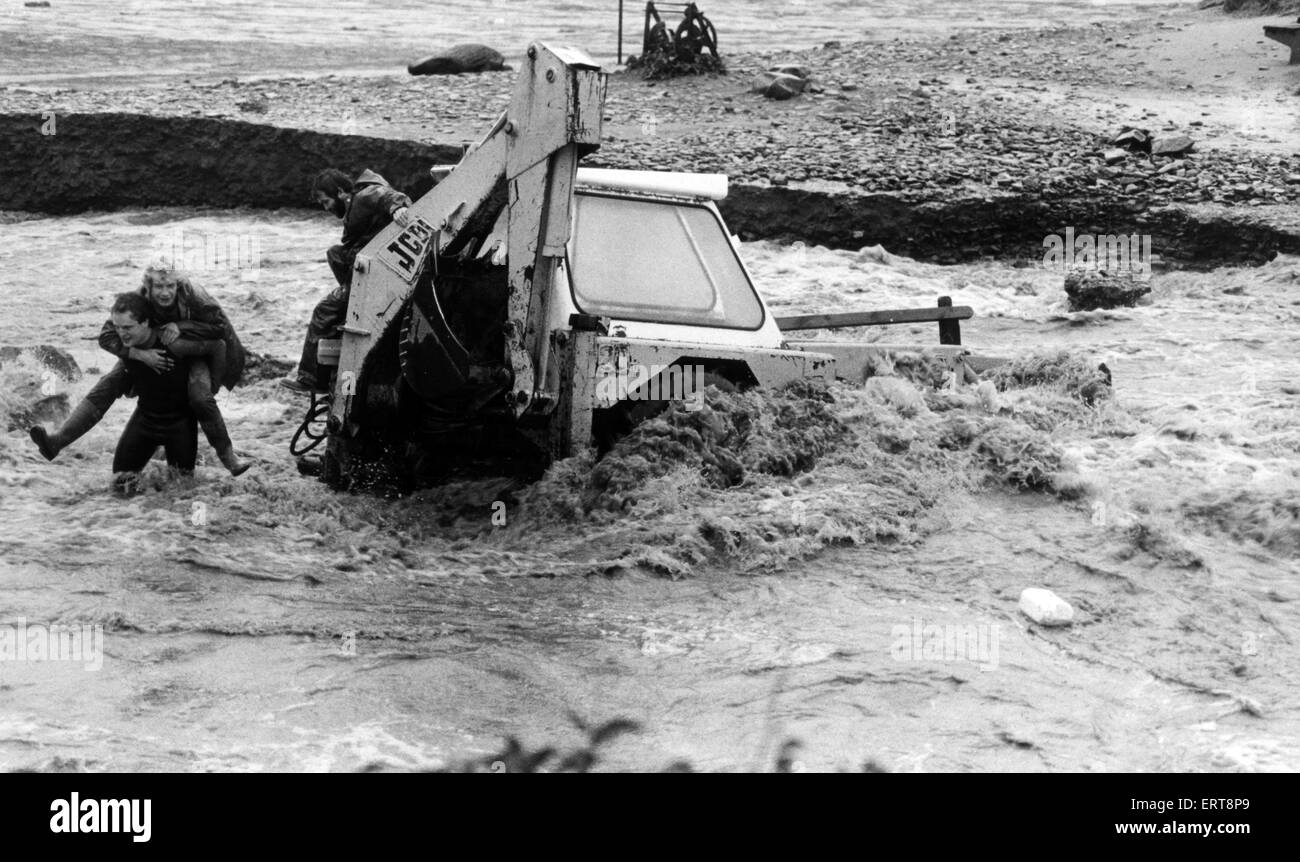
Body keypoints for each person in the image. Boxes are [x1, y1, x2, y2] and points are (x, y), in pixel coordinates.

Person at [29, 262, 251, 476]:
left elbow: (221, 331)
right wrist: (139, 355)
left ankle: (228, 457)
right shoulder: (138, 299)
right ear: (148, 286)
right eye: (159, 286)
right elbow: (107, 334)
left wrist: (181, 326)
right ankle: (57, 441)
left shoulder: (195, 296)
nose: (165, 293)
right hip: (146, 346)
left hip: (194, 348)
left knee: (201, 398)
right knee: (109, 383)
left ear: (179, 285)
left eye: (170, 286)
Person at [280, 168, 412, 393]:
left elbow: (385, 195)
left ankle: (313, 380)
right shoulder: (356, 203)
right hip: (375, 268)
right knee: (335, 253)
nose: (326, 208)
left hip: (377, 273)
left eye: (325, 201)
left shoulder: (362, 197)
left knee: (324, 311)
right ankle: (348, 297)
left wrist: (397, 208)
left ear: (340, 192)